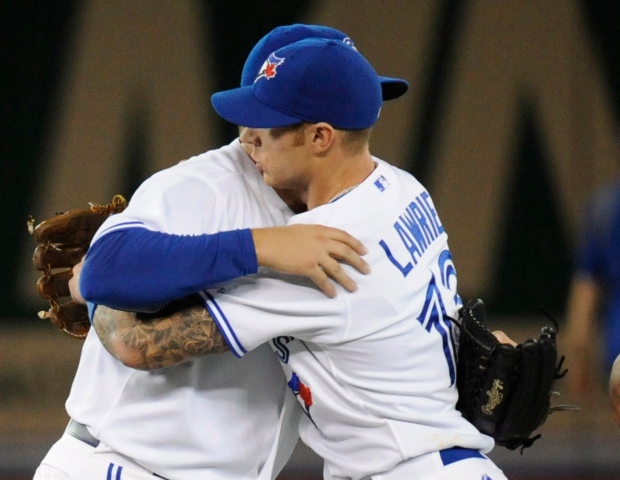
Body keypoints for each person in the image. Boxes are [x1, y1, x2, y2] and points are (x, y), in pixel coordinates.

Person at [82, 38, 508, 479]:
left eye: (269, 127)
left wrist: (94, 294)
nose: (250, 141)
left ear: (321, 137)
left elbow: (137, 345)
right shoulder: (404, 190)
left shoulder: (323, 258)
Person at [33, 25, 408, 480]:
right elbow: (101, 273)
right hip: (121, 464)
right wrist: (260, 245)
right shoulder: (206, 187)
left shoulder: (361, 210)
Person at [564, 181, 620, 405]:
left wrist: (578, 355)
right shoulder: (606, 208)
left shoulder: (606, 207)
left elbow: (586, 287)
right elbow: (587, 285)